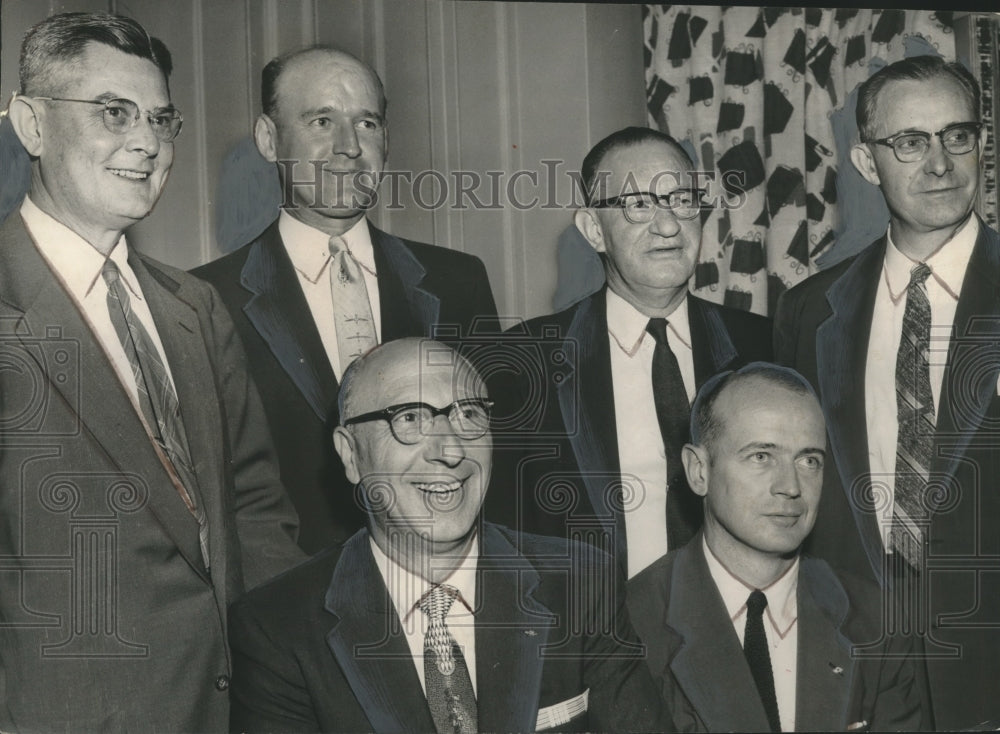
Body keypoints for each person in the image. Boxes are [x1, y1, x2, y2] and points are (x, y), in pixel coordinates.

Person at [0, 12, 305, 731]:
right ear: (30, 125)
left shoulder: (194, 307)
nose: (147, 143)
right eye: (114, 113)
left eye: (162, 120)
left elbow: (256, 512)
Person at [228, 338, 670, 733]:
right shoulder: (278, 628)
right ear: (350, 454)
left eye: (469, 414)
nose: (451, 449)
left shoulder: (579, 581)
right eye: (409, 418)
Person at [193, 46, 498, 555]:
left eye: (367, 124)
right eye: (321, 121)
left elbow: (486, 459)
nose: (348, 146)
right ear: (269, 139)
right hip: (284, 605)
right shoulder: (204, 300)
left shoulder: (458, 282)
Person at [774, 54, 1000, 730]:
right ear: (868, 163)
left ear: (982, 145)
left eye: (956, 135)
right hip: (858, 668)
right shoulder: (809, 312)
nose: (939, 162)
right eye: (910, 141)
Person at [487, 126, 772, 580]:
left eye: (682, 200)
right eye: (638, 205)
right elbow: (503, 537)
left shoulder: (765, 347)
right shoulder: (523, 363)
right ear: (593, 230)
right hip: (595, 637)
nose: (667, 225)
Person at [628, 364, 929, 732]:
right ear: (698, 470)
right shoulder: (632, 623)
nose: (790, 486)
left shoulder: (877, 622)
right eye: (761, 456)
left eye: (808, 460)